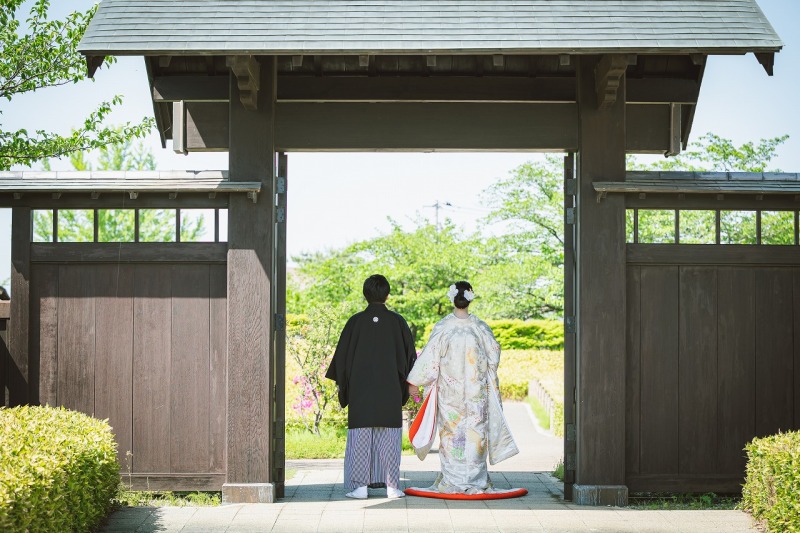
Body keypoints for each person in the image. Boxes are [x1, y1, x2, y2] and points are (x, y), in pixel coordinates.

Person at [406, 281, 518, 494]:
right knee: (476, 434)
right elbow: (494, 355)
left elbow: (430, 360)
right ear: (470, 298)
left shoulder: (443, 327)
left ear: (452, 299)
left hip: (451, 394)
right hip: (477, 394)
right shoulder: (480, 327)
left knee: (451, 435)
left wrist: (414, 381)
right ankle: (476, 481)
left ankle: (453, 481)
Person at [325, 274, 417, 499]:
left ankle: (359, 487)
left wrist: (343, 386)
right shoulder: (398, 322)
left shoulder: (355, 322)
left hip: (360, 391)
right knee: (389, 438)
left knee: (360, 438)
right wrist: (408, 385)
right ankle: (393, 486)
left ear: (365, 294)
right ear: (387, 295)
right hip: (390, 391)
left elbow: (342, 360)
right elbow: (410, 358)